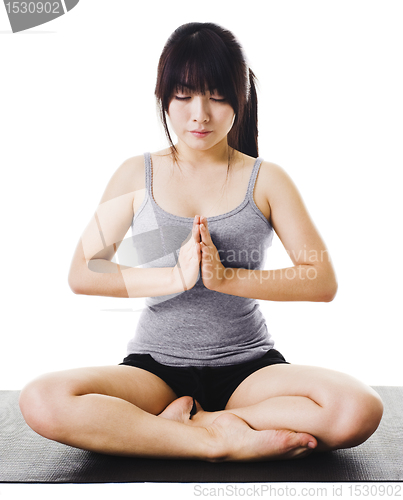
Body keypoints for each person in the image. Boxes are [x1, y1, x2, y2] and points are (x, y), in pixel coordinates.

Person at [19, 22, 383, 462]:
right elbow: (85, 270)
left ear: (239, 100)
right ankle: (213, 437)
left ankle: (194, 421)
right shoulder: (137, 174)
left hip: (248, 370)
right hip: (155, 372)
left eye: (217, 96)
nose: (200, 114)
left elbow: (320, 280)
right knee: (42, 399)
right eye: (185, 95)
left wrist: (226, 278)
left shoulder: (266, 179)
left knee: (357, 410)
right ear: (164, 98)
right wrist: (174, 277)